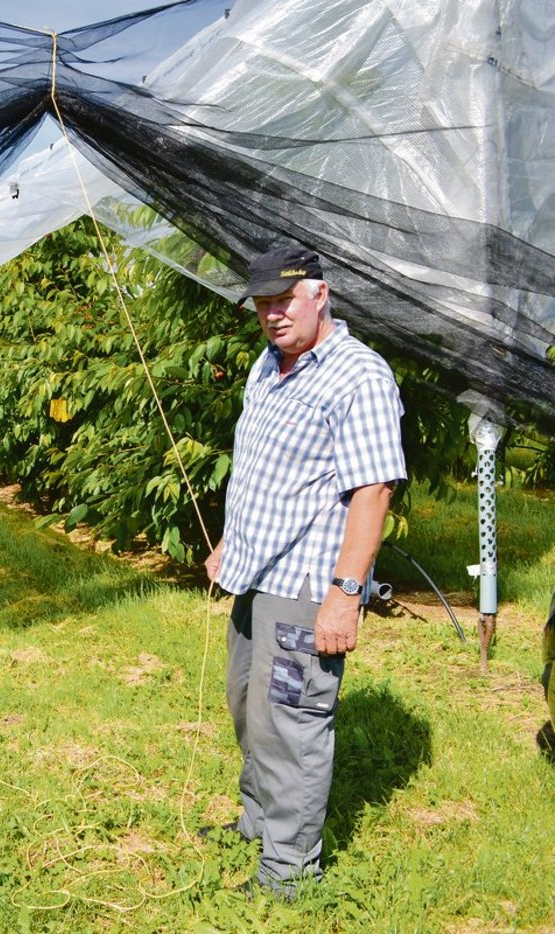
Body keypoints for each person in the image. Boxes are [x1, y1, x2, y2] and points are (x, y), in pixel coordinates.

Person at [202, 245, 406, 898]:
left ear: (319, 294)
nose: (271, 314)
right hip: (254, 573)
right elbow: (259, 467)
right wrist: (230, 542)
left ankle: (288, 875)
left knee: (290, 723)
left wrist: (344, 597)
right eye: (262, 303)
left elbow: (374, 491)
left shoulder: (358, 376)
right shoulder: (268, 366)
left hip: (307, 584)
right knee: (246, 707)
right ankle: (259, 821)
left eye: (282, 300)